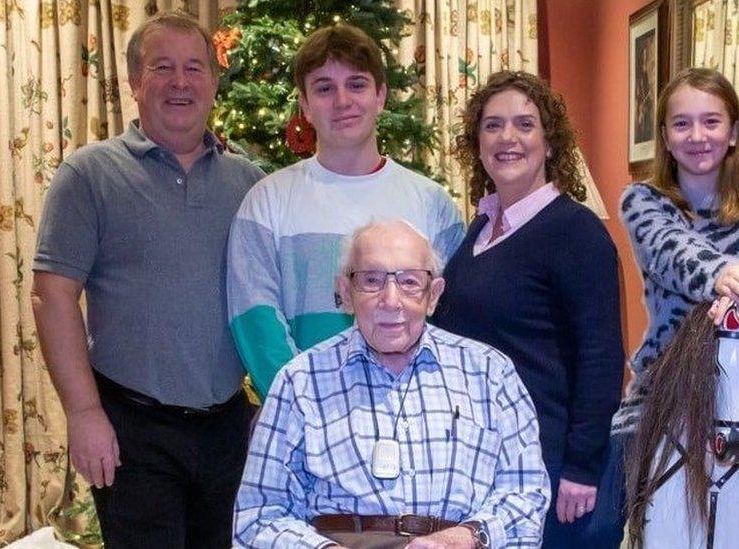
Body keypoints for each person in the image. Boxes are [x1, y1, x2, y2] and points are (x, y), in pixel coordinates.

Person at [31, 12, 265, 547]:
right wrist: (84, 413)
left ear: (212, 81)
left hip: (228, 429)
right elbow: (52, 298)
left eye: (194, 68)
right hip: (131, 429)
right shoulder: (88, 175)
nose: (180, 82)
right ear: (136, 82)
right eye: (163, 68)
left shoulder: (248, 182)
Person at [592, 67, 739, 548]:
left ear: (734, 133)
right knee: (597, 527)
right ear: (664, 135)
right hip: (662, 384)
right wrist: (726, 276)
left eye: (711, 122)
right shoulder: (642, 200)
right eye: (681, 124)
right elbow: (670, 252)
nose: (697, 136)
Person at [233, 220, 549, 548]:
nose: (391, 300)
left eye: (409, 281)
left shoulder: (490, 374)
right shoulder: (300, 382)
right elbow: (258, 516)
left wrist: (464, 537)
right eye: (371, 280)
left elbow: (526, 496)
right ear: (345, 292)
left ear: (434, 295)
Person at [430, 71, 625, 547]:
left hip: (552, 464)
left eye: (524, 124)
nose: (507, 137)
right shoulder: (479, 229)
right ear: (477, 144)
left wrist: (581, 466)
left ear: (550, 142)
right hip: (483, 463)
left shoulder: (575, 232)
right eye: (492, 126)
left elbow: (601, 357)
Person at [226, 23, 464, 400]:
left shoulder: (432, 203)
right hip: (306, 417)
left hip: (413, 415)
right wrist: (305, 404)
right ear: (304, 104)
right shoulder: (266, 202)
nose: (342, 100)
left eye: (356, 84)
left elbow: (451, 318)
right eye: (324, 88)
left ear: (381, 95)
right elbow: (255, 321)